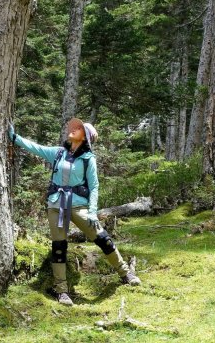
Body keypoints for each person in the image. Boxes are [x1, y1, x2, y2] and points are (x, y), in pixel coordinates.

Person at [8, 118, 141, 306]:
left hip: (80, 206)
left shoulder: (88, 160)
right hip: (56, 205)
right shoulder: (58, 153)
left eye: (79, 129)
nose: (73, 130)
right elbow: (35, 147)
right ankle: (62, 291)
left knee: (102, 238)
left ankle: (125, 273)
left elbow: (94, 187)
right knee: (59, 247)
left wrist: (93, 212)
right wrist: (14, 137)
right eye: (74, 127)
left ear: (85, 138)